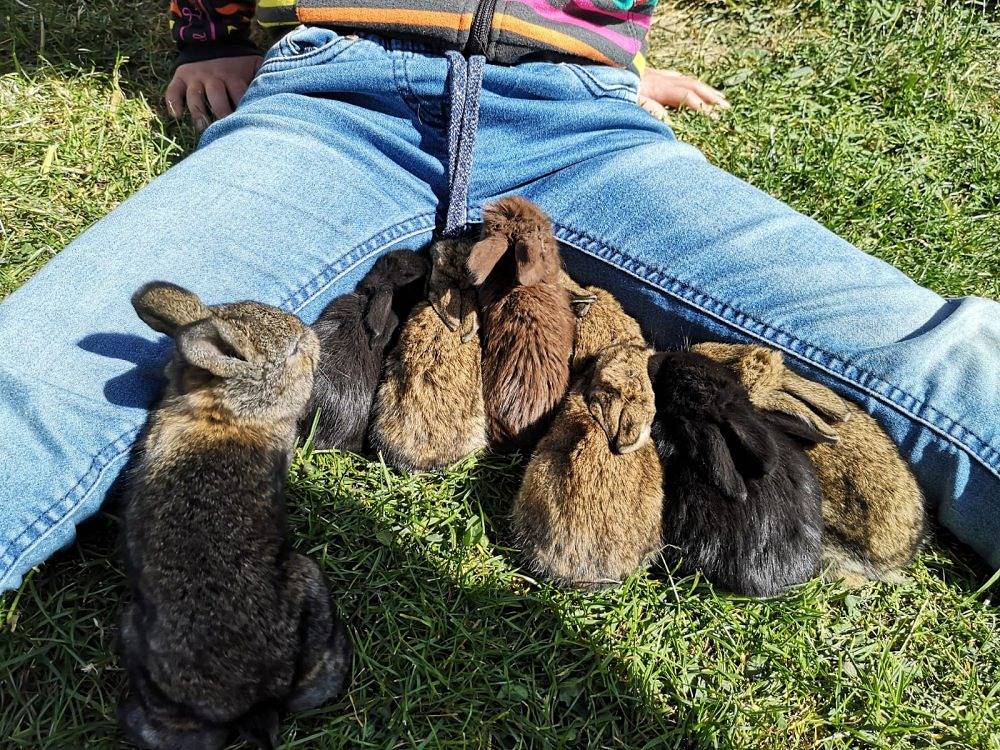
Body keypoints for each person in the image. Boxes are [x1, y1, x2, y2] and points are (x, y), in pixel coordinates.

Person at [0, 0, 996, 594]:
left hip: (579, 120)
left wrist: (605, 50)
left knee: (925, 354)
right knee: (47, 363)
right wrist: (206, 34)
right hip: (336, 99)